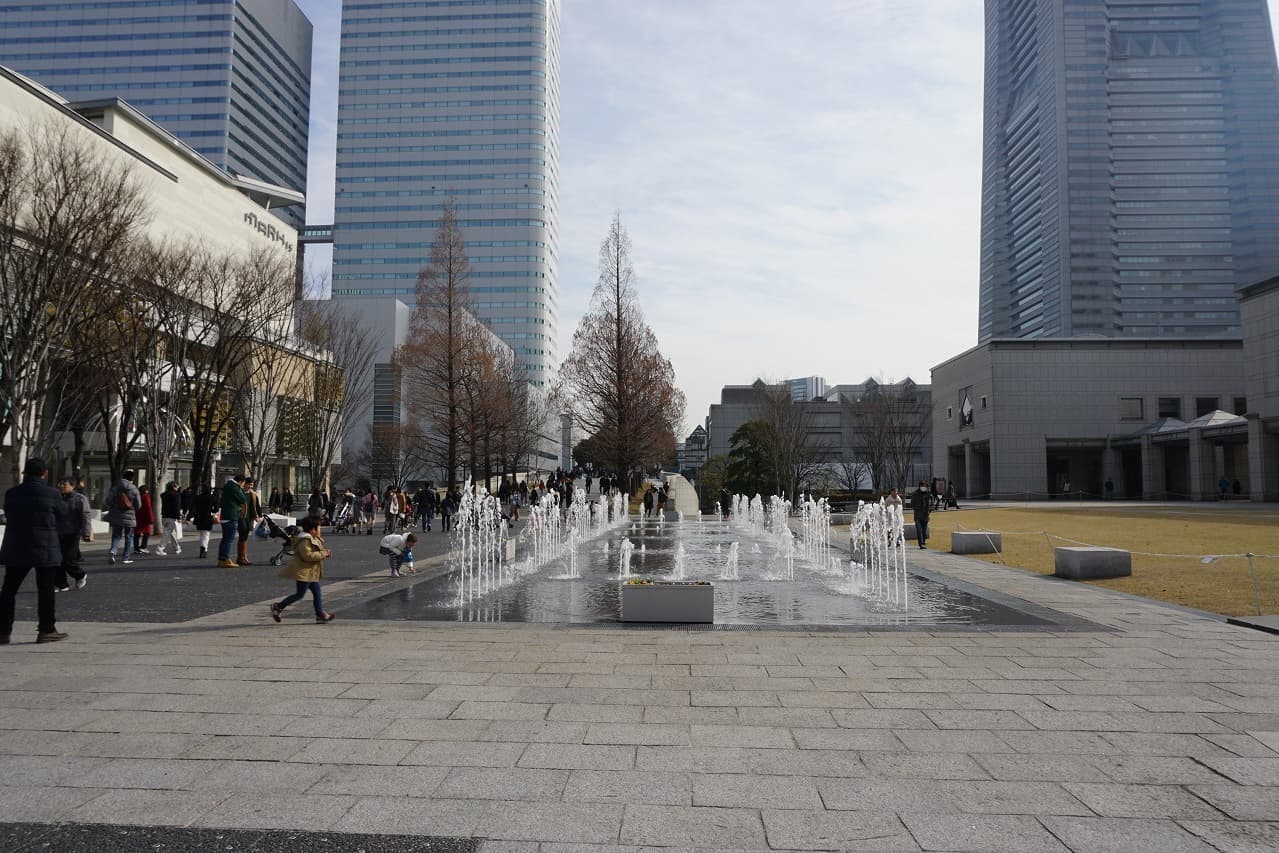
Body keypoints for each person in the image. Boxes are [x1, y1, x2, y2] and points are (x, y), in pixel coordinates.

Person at [0, 458, 68, 644]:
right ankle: (46, 630)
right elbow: (63, 516)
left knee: (8, 590)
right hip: (45, 547)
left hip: (16, 546)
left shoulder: (12, 493)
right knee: (45, 590)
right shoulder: (53, 494)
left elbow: (9, 514)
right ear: (44, 473)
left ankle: (3, 631)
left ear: (25, 473)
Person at [270, 515, 334, 624]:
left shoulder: (312, 538)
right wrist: (323, 554)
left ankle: (320, 614)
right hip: (304, 572)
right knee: (299, 594)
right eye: (318, 528)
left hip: (311, 572)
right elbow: (307, 556)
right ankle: (278, 606)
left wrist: (324, 551)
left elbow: (316, 549)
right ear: (312, 529)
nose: (320, 530)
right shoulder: (304, 540)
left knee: (317, 592)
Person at [55, 477, 90, 592]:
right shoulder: (56, 498)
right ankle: (61, 584)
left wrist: (86, 533)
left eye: (64, 484)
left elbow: (86, 516)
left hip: (72, 533)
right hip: (57, 532)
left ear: (72, 486)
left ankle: (80, 575)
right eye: (59, 484)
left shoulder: (80, 499)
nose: (61, 486)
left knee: (68, 559)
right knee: (57, 559)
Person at [105, 469, 142, 565]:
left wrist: (115, 505)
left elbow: (108, 501)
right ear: (132, 478)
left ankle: (113, 551)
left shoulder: (115, 487)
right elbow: (139, 505)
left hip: (116, 516)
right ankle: (126, 558)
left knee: (116, 536)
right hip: (129, 516)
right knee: (129, 537)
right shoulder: (134, 489)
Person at [218, 473, 247, 568]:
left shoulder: (228, 486)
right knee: (229, 539)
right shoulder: (234, 487)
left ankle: (222, 559)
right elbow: (243, 499)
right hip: (231, 515)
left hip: (225, 515)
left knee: (225, 539)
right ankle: (225, 559)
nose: (243, 486)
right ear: (241, 481)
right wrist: (242, 490)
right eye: (243, 484)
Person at [237, 477, 262, 566]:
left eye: (251, 485)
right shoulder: (240, 493)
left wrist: (258, 515)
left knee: (245, 536)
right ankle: (241, 557)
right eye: (249, 484)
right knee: (242, 533)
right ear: (244, 484)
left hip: (249, 517)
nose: (250, 486)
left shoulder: (253, 494)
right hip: (241, 517)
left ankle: (243, 557)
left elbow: (257, 506)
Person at [155, 481, 184, 556]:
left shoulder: (164, 495)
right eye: (177, 486)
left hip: (164, 516)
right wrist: (178, 517)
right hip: (172, 516)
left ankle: (177, 547)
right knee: (167, 534)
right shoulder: (176, 495)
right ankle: (160, 549)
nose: (178, 488)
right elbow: (176, 507)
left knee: (171, 533)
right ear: (174, 487)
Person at [191, 483, 216, 559]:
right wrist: (211, 510)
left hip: (199, 517)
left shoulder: (198, 497)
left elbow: (193, 507)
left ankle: (203, 548)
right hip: (208, 517)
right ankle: (204, 549)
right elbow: (216, 508)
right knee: (206, 534)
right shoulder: (212, 497)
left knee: (202, 534)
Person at [909, 481, 931, 550]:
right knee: (919, 530)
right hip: (918, 515)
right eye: (922, 486)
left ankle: (923, 543)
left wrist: (930, 509)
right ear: (919, 486)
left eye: (924, 486)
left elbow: (930, 503)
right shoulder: (915, 494)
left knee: (924, 531)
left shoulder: (928, 494)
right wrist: (918, 507)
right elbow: (912, 504)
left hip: (926, 515)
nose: (923, 488)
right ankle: (921, 544)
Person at [133, 486, 155, 554]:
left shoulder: (137, 496)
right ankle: (143, 547)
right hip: (145, 517)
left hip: (137, 516)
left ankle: (136, 548)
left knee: (137, 532)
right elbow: (148, 508)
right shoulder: (146, 496)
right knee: (147, 532)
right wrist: (151, 518)